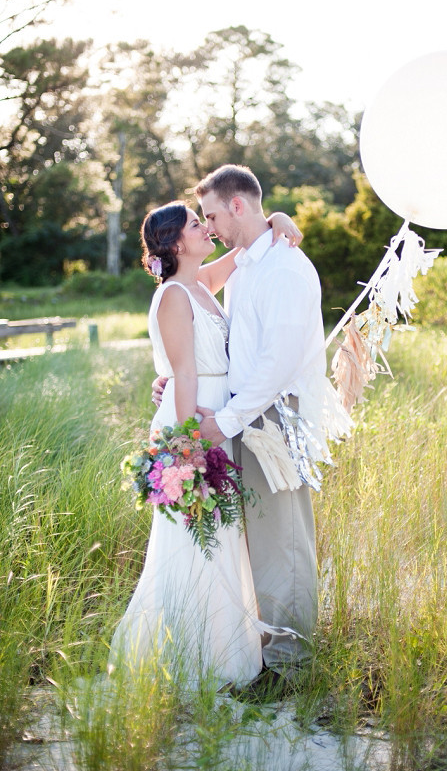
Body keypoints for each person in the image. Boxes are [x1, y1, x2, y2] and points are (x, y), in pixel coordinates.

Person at [110, 200, 301, 690]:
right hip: (194, 422)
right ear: (176, 243)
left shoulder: (200, 284)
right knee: (197, 542)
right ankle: (192, 660)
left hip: (217, 415)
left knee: (221, 541)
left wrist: (277, 219)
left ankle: (226, 654)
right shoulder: (174, 294)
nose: (206, 227)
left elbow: (245, 250)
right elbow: (186, 371)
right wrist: (189, 446)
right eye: (197, 224)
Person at [192, 164, 328, 694]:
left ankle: (292, 670)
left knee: (284, 543)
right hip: (246, 416)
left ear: (238, 206)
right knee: (260, 543)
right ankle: (269, 656)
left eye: (212, 215)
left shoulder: (287, 269)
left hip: (276, 417)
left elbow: (275, 364)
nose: (209, 227)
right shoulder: (248, 265)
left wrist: (223, 420)